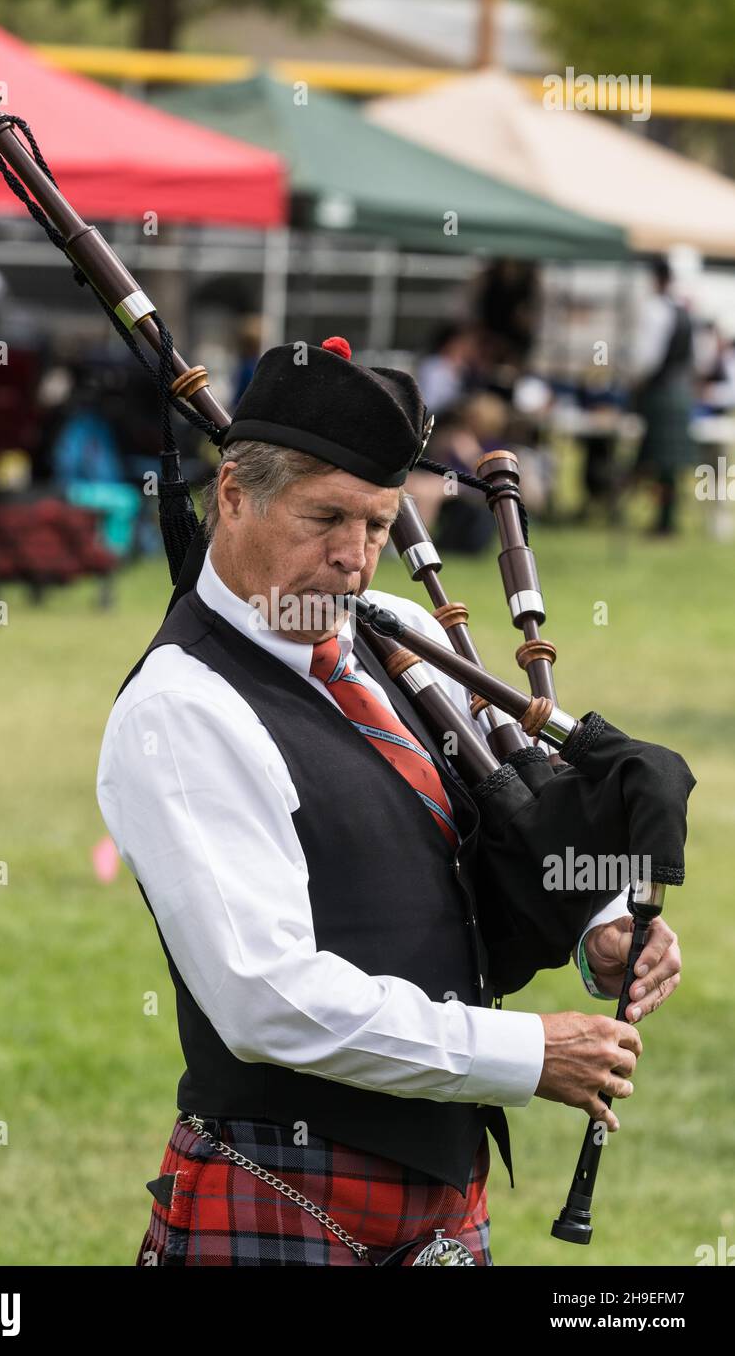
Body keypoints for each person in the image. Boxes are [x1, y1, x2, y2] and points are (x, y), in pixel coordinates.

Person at [96, 336, 682, 1267]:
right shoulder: (183, 709)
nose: (354, 558)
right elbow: (266, 998)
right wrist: (523, 1053)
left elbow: (525, 793)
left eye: (375, 524)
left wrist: (598, 918)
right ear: (234, 496)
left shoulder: (397, 634)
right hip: (281, 1188)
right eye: (326, 518)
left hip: (439, 1200)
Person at [631, 256, 695, 535]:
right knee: (666, 466)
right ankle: (665, 518)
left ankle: (661, 520)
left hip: (660, 393)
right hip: (681, 392)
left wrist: (635, 383)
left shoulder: (655, 310)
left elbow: (647, 359)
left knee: (654, 463)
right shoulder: (685, 312)